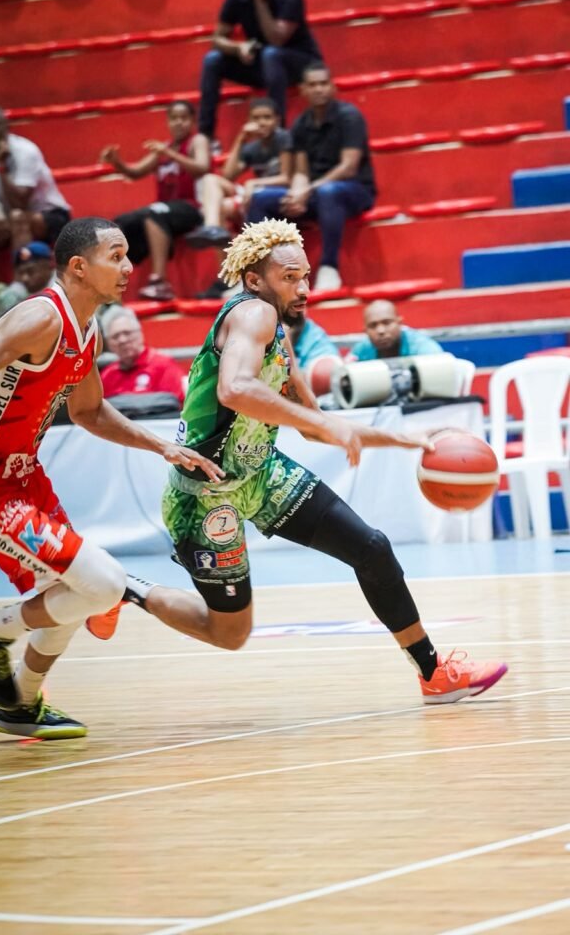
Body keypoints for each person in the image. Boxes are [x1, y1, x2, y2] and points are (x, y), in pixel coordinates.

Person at [117, 219, 507, 706]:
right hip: (204, 492)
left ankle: (434, 673)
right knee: (229, 632)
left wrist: (405, 438)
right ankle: (125, 588)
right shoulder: (252, 314)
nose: (303, 288)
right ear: (255, 279)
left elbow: (313, 422)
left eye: (304, 276)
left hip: (259, 473)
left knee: (370, 547)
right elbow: (235, 389)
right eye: (289, 278)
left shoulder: (276, 329)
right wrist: (329, 426)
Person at [0, 217, 222, 740]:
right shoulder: (40, 319)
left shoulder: (88, 329)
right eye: (116, 256)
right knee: (102, 584)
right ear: (79, 266)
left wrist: (162, 444)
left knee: (67, 595)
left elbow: (91, 412)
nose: (128, 267)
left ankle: (20, 703)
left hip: (23, 475)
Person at [246, 63, 376, 291]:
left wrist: (308, 191)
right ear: (303, 90)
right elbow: (301, 171)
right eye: (313, 85)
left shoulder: (349, 116)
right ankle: (262, 273)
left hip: (354, 190)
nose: (319, 89)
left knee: (329, 191)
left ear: (333, 87)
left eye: (323, 84)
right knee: (260, 199)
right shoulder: (301, 124)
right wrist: (297, 194)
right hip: (316, 192)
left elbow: (348, 167)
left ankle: (328, 268)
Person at [100, 100, 228, 302]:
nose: (179, 123)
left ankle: (160, 282)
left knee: (154, 212)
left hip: (194, 207)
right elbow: (135, 173)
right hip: (169, 211)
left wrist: (169, 154)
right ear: (168, 122)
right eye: (174, 118)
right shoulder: (165, 148)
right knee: (121, 223)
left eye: (184, 118)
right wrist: (117, 162)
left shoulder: (197, 141)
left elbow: (202, 167)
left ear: (192, 121)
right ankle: (111, 282)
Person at [198, 0, 322, 141]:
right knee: (212, 59)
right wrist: (238, 47)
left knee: (271, 53)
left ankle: (277, 135)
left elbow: (276, 39)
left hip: (301, 63)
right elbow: (217, 39)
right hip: (265, 64)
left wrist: (260, 1)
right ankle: (206, 136)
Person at [197, 96, 293, 298]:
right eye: (256, 118)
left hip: (279, 197)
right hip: (255, 197)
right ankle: (213, 230)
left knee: (225, 203)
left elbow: (287, 177)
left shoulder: (284, 138)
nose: (261, 123)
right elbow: (228, 175)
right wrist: (241, 138)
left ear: (277, 120)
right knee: (210, 181)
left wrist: (254, 183)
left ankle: (232, 276)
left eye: (267, 117)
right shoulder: (252, 147)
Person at [0, 106, 71, 253]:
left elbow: (19, 203)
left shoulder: (24, 151)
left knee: (17, 217)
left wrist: (2, 168)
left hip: (50, 216)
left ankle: (22, 272)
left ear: (6, 126)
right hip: (5, 215)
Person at [101, 306, 185, 404]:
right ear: (108, 343)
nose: (122, 340)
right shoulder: (107, 375)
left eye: (127, 333)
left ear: (140, 333)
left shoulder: (164, 366)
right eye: (115, 336)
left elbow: (178, 407)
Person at [348, 299, 444, 361]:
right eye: (373, 326)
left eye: (387, 323)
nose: (380, 331)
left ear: (400, 323)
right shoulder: (361, 349)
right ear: (365, 331)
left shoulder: (423, 347)